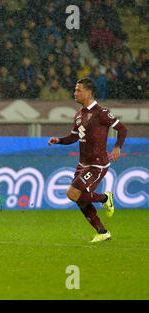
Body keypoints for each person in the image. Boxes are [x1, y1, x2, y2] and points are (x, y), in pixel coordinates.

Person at [47, 77, 127, 243]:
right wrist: (59, 140)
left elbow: (122, 129)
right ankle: (103, 232)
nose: (74, 93)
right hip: (83, 164)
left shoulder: (101, 113)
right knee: (80, 200)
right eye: (75, 90)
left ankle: (105, 198)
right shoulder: (78, 115)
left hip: (97, 164)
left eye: (79, 90)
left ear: (89, 93)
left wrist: (117, 147)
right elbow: (74, 137)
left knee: (73, 194)